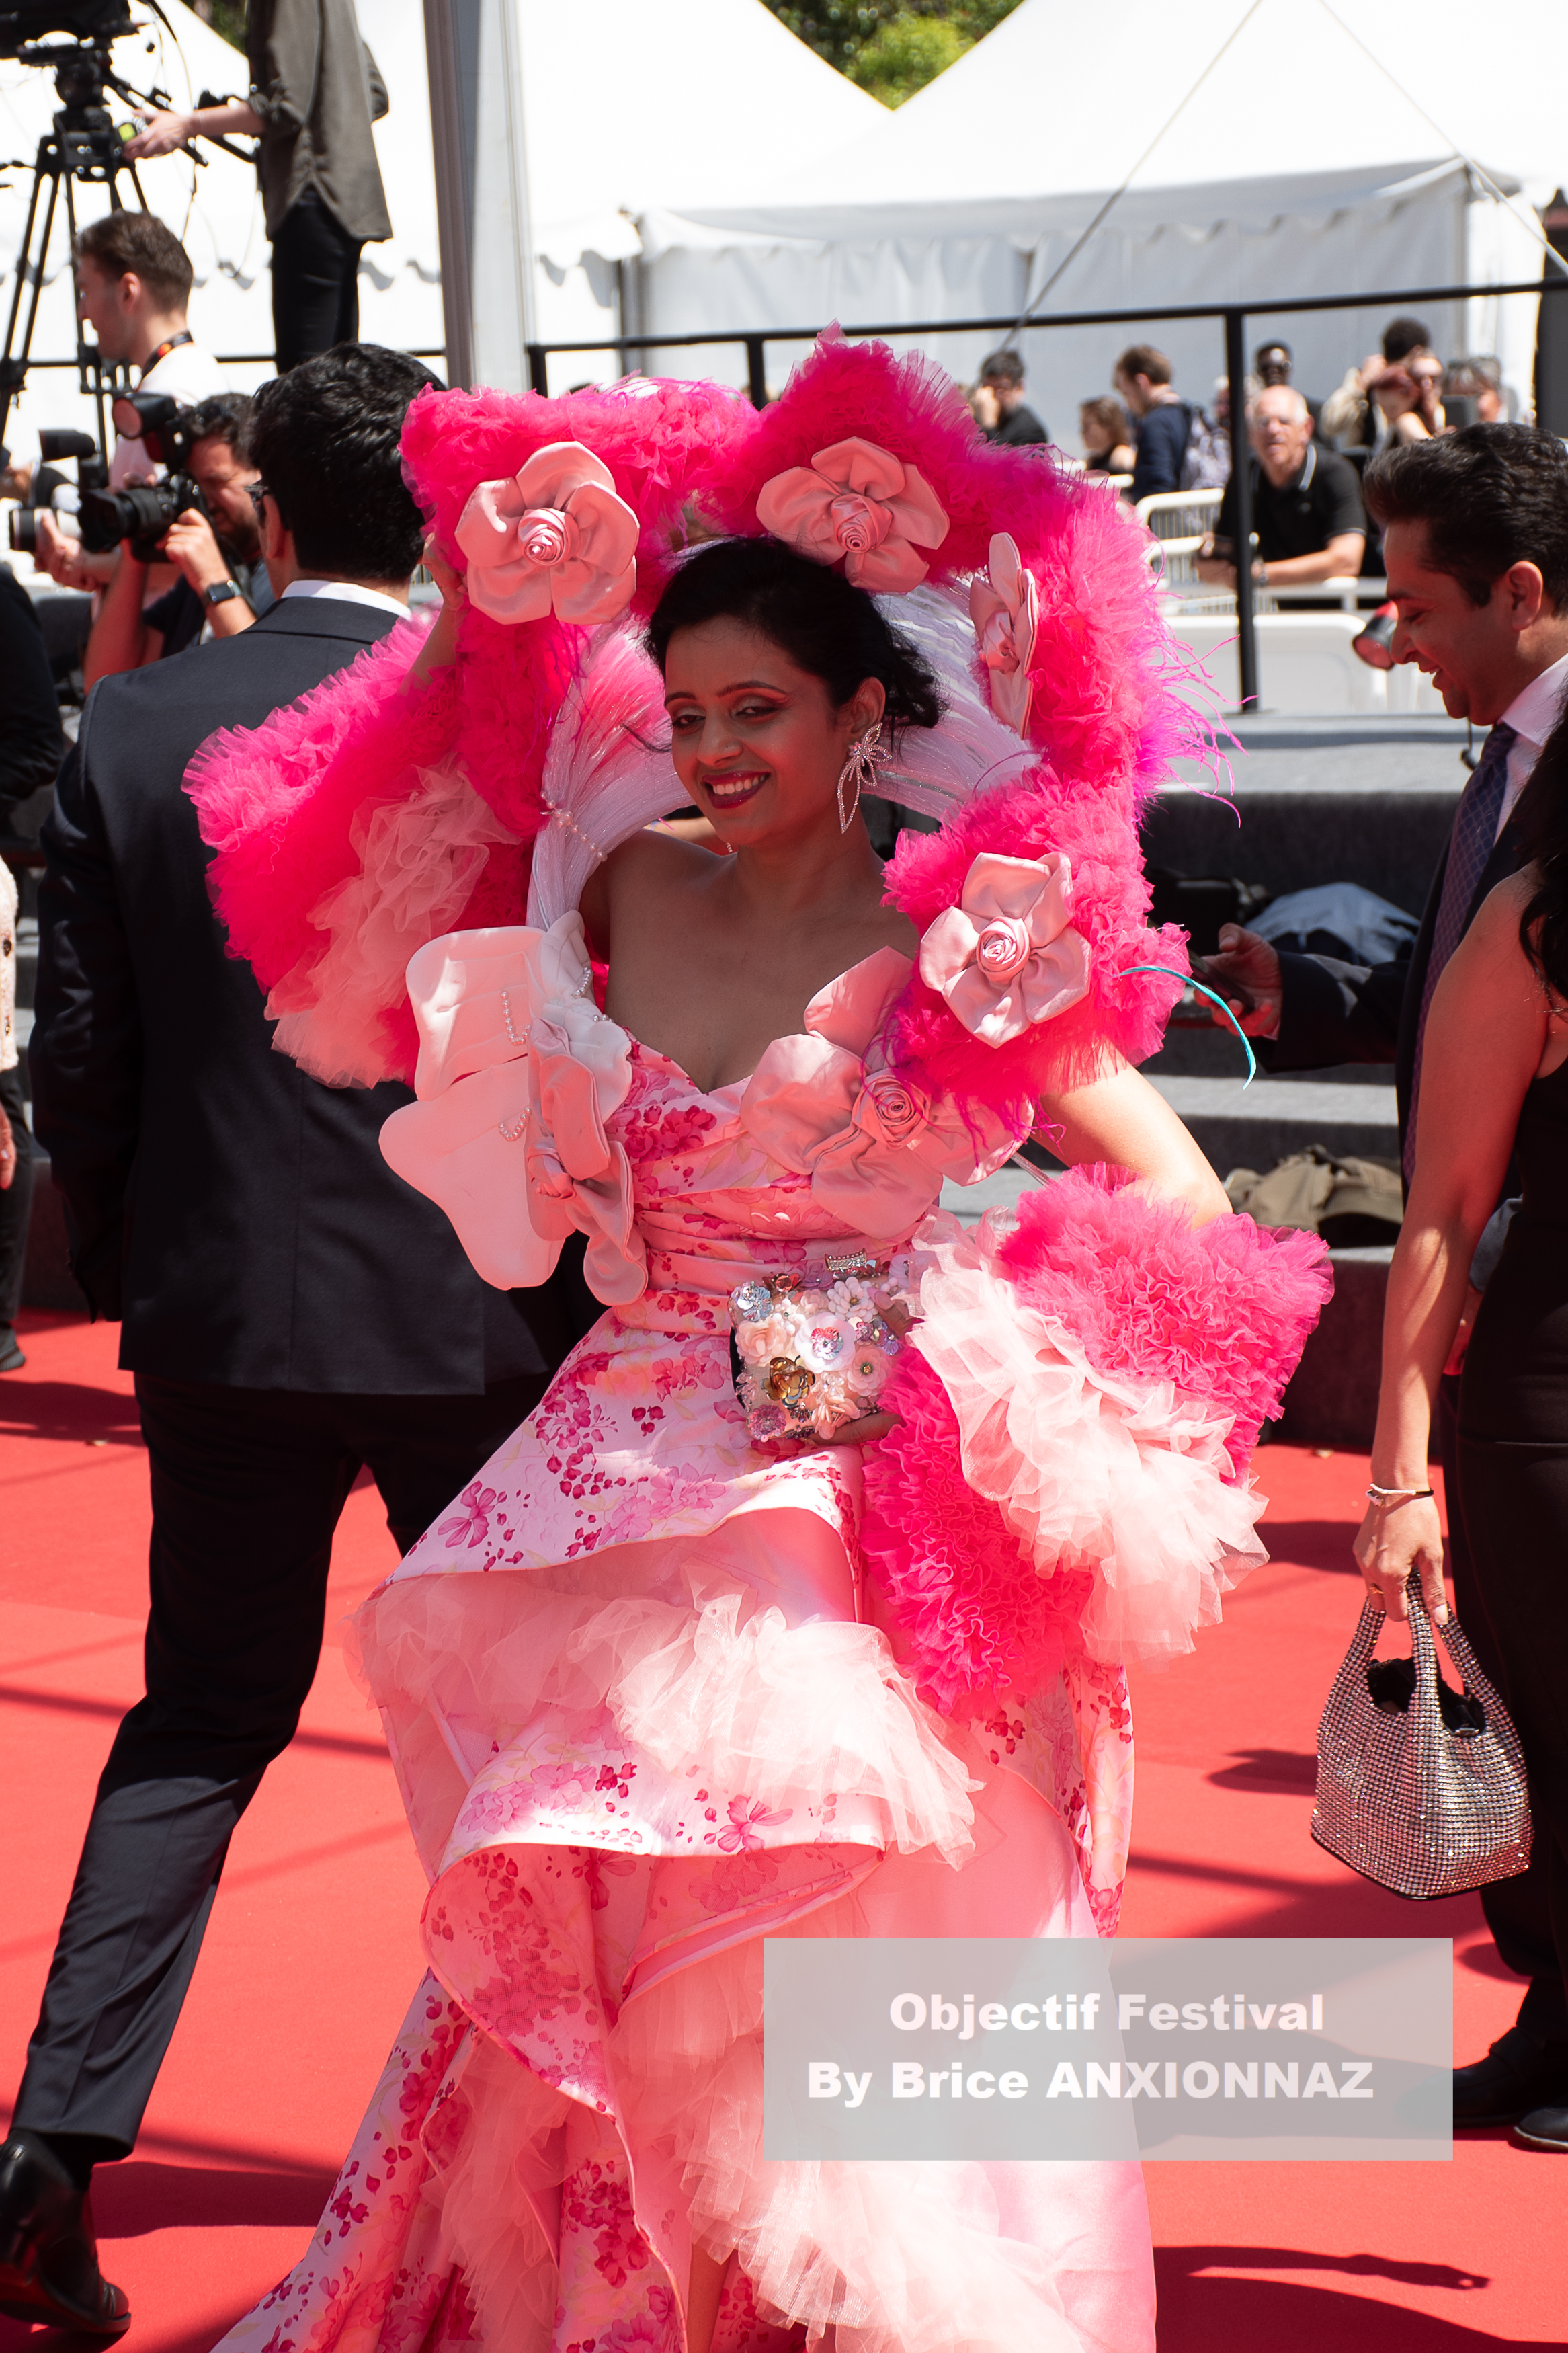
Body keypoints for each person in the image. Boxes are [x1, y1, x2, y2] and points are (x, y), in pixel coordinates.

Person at [176, 341, 1327, 2353]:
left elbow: (1180, 1192)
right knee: (617, 1940)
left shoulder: (972, 933)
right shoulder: (613, 892)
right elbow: (428, 819)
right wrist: (514, 566)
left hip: (853, 1515)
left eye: (759, 708)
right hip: (612, 1488)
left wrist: (988, 1362)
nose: (715, 744)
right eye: (691, 707)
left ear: (867, 713)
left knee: (854, 1955)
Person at [0, 346, 599, 2338]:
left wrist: (144, 1228)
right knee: (535, 1742)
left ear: (259, 503)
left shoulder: (131, 726)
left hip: (228, 1301)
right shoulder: (511, 730)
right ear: (448, 511)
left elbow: (76, 1057)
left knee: (197, 1713)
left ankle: (52, 2146)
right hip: (479, 1306)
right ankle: (558, 2171)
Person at [1202, 423, 1568, 2128]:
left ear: (1524, 590)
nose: (1390, 642)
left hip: (1516, 1291)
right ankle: (1561, 2016)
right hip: (1518, 1302)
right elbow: (1476, 995)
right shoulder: (1517, 795)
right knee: (1536, 1691)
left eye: (1410, 606)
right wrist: (1326, 992)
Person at [1353, 698, 1568, 2154]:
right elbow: (1437, 1210)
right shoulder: (1532, 920)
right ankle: (1557, 2016)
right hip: (1548, 1412)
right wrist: (1392, 1476)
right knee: (1549, 1752)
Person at [125, 0, 391, 374]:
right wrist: (330, 119)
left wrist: (187, 124)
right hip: (344, 200)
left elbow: (288, 105)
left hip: (313, 195)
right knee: (337, 383)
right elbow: (374, 93)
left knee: (304, 388)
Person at [31, 214, 227, 592]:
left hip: (164, 646)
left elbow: (184, 559)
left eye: (85, 291)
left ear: (127, 292)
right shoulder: (187, 375)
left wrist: (85, 562)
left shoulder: (174, 393)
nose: (82, 313)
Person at [81, 393, 274, 684]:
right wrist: (134, 556)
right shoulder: (193, 584)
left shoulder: (287, 574)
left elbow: (265, 683)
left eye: (216, 482)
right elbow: (104, 676)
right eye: (192, 486)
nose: (203, 501)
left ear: (262, 477)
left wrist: (214, 581)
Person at [1195, 385, 1366, 593]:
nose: (1273, 430)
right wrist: (1205, 560)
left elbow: (1347, 560)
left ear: (1306, 429)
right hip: (1288, 615)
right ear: (1251, 433)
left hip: (1352, 610)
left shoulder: (1335, 473)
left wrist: (1262, 574)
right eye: (1263, 422)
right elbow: (1222, 553)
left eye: (1284, 421)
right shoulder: (1245, 478)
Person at [1319, 314, 1435, 456]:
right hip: (1366, 469)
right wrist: (1362, 384)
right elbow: (1330, 424)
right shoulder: (1365, 379)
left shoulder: (1423, 383)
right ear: (1416, 353)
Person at [1112, 343, 1191, 500]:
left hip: (1167, 522)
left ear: (1142, 383)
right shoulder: (1187, 412)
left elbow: (1158, 487)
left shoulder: (1155, 424)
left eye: (1127, 393)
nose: (1128, 403)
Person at [969, 347, 1050, 446]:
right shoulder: (976, 422)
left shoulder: (1031, 432)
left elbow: (1000, 461)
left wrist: (989, 425)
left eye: (1001, 390)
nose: (992, 398)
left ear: (1019, 388)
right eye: (987, 389)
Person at [1079, 393, 1136, 476]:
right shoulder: (1091, 461)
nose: (1082, 432)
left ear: (1108, 426)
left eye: (1088, 426)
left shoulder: (1122, 456)